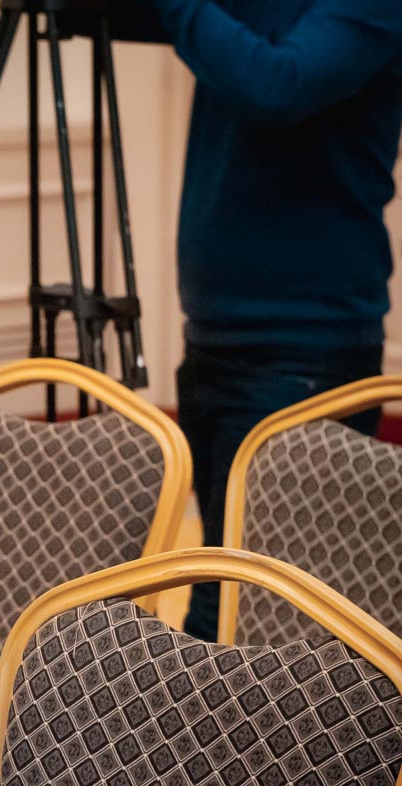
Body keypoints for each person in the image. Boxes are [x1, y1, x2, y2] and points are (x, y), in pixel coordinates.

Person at [133, 0, 402, 639]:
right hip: (216, 333)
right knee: (215, 584)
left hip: (305, 347)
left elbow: (277, 86)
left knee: (264, 610)